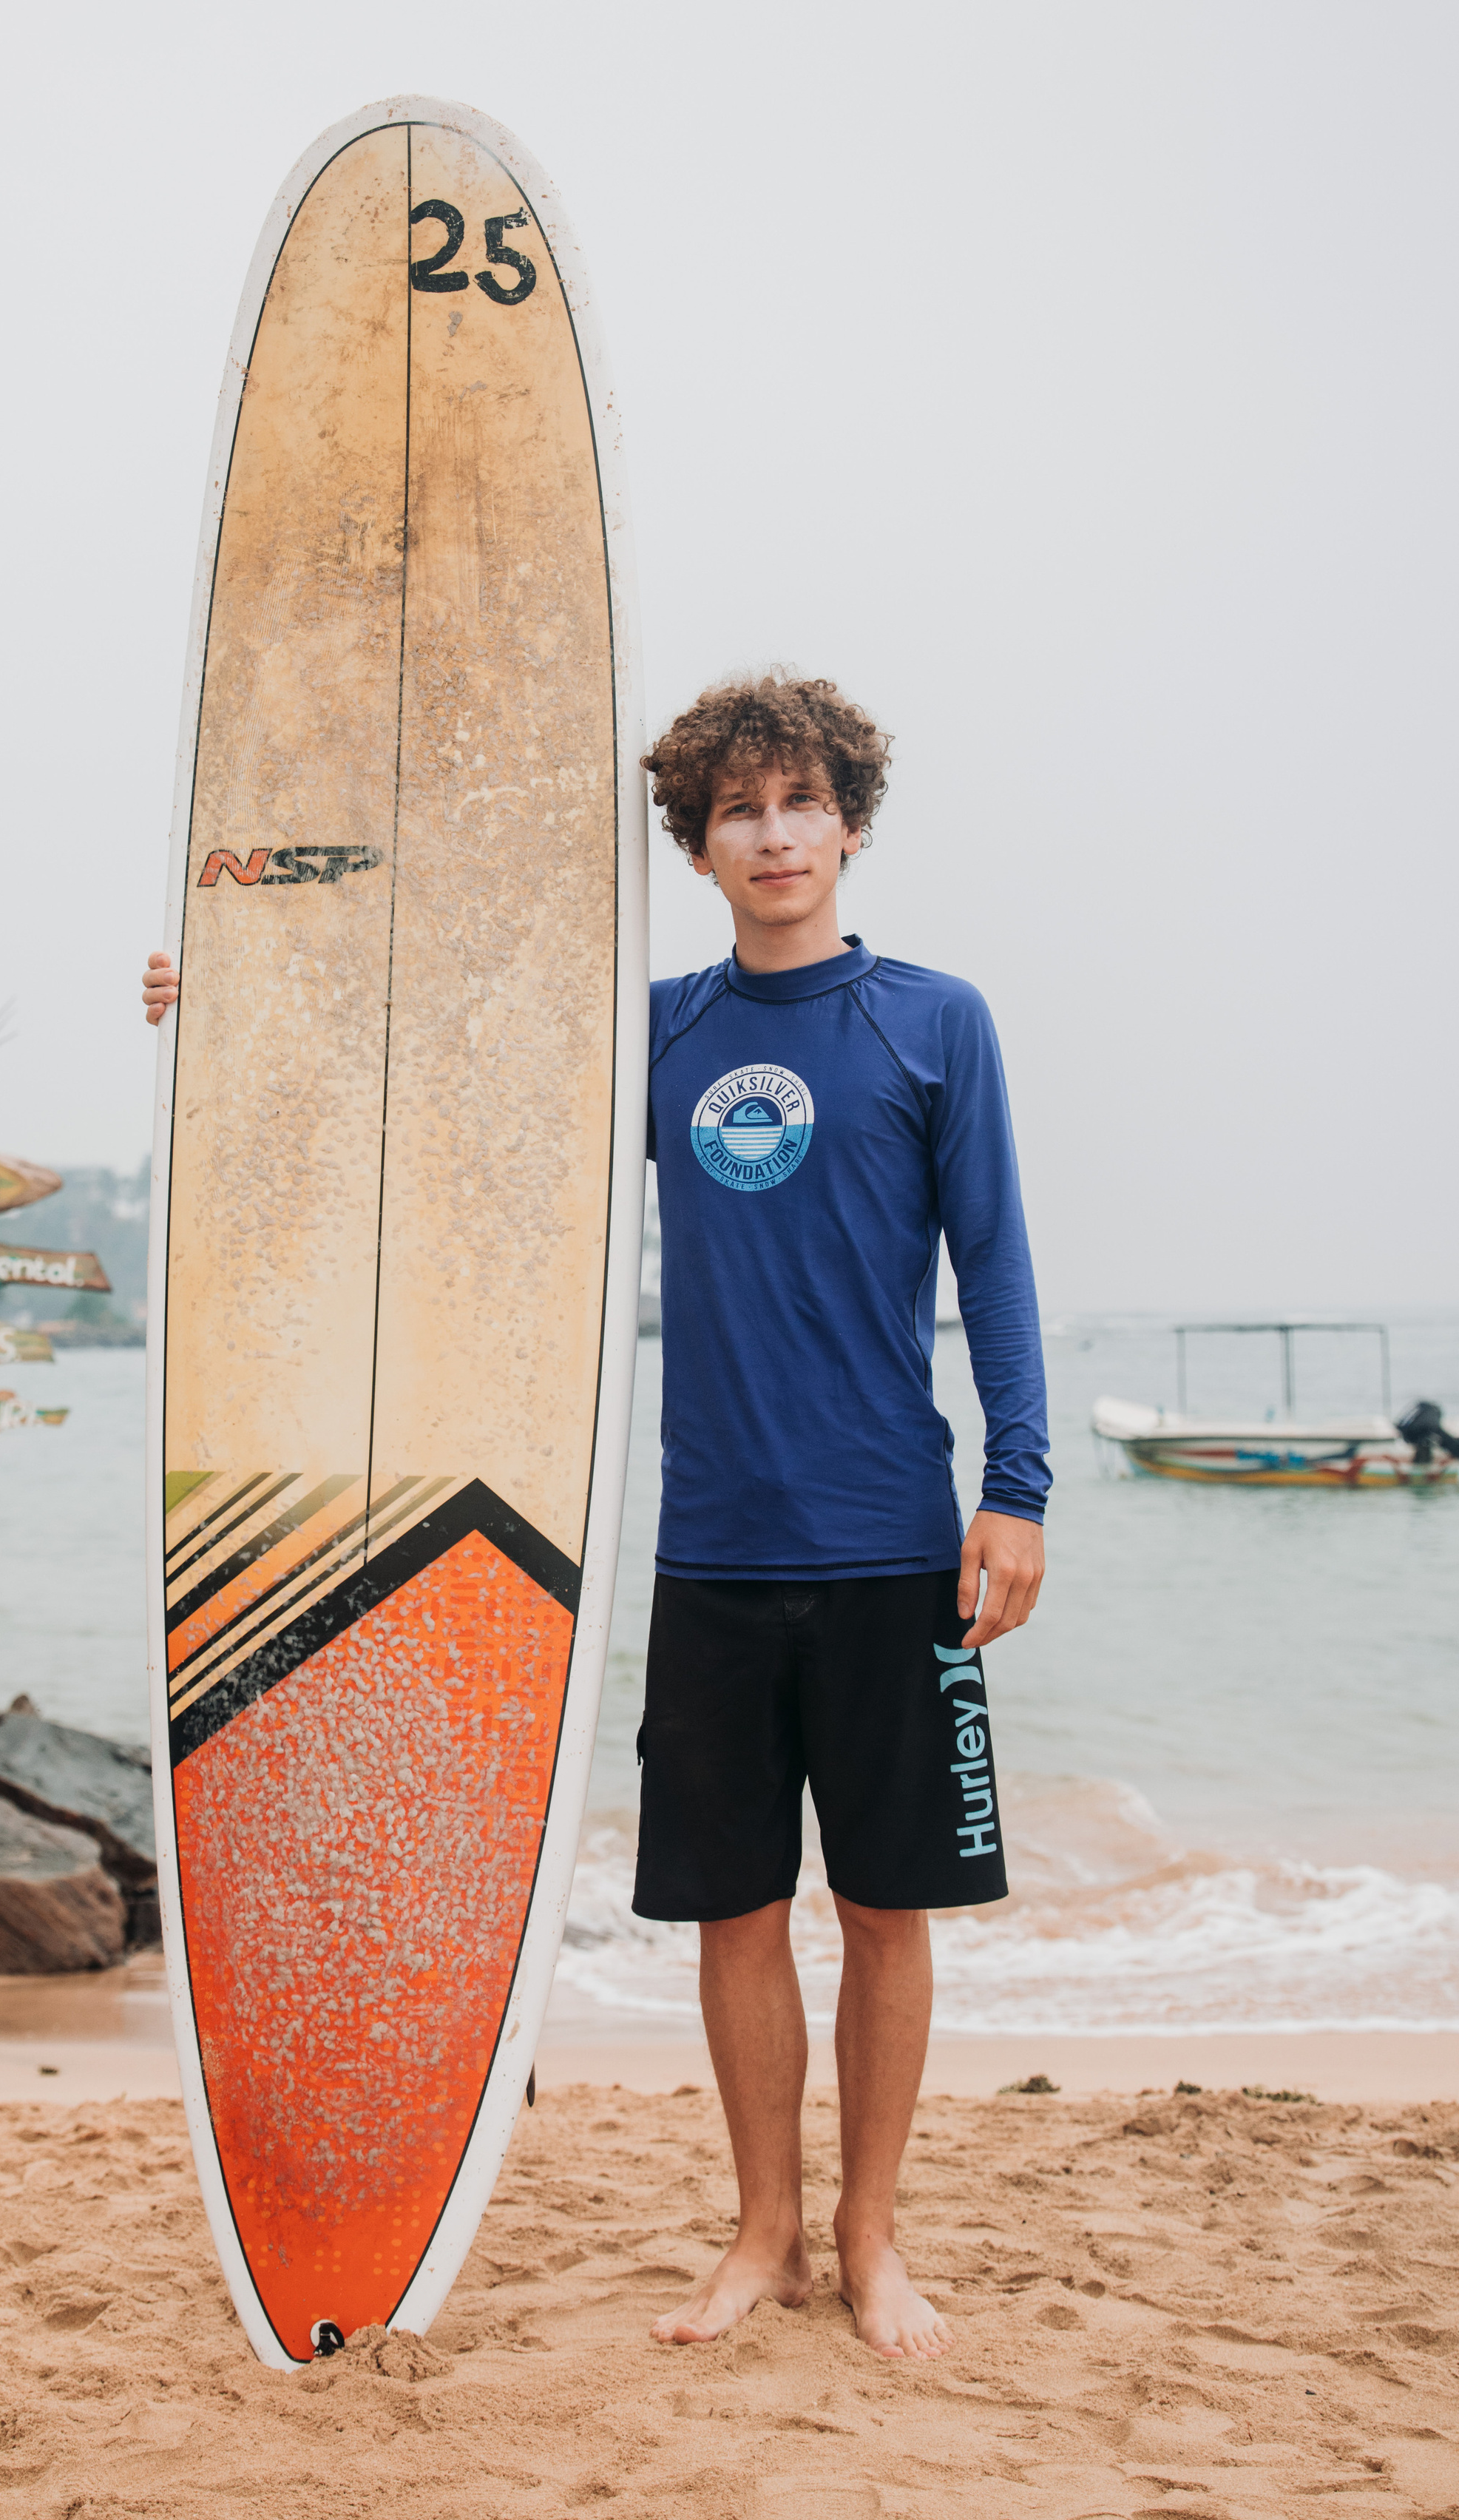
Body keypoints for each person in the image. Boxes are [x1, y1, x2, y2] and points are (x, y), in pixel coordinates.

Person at [140, 669, 1048, 2365]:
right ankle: (761, 2235)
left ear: (848, 823)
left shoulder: (932, 1022)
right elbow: (437, 1097)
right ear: (694, 849)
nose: (772, 836)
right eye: (736, 813)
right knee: (728, 1907)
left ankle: (870, 2238)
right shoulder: (657, 1036)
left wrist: (1017, 1489)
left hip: (887, 1544)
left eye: (799, 804)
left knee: (882, 1909)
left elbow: (991, 1262)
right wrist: (236, 999)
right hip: (707, 1547)